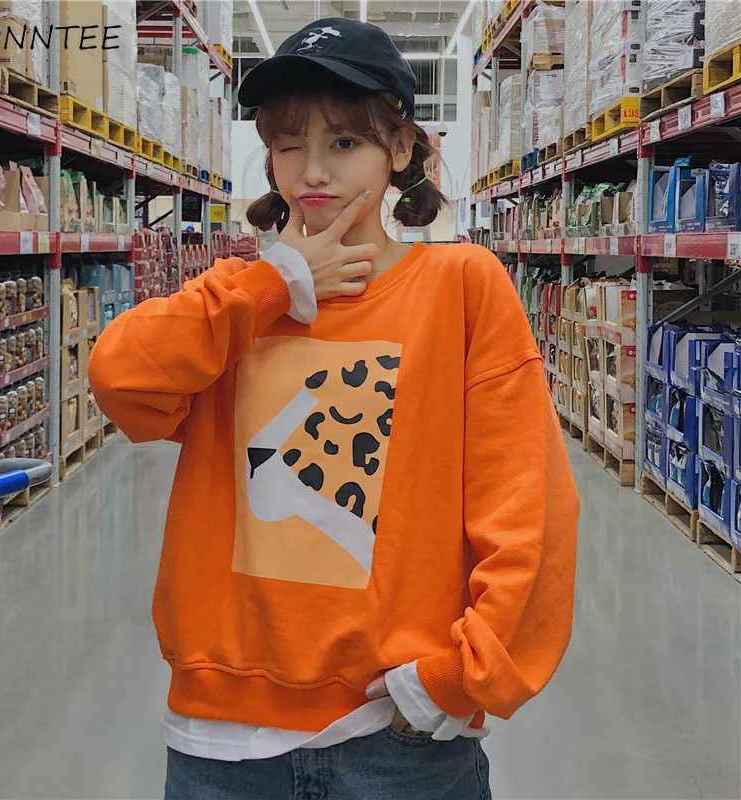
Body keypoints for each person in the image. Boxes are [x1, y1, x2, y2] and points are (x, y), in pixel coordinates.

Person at [89, 17, 579, 800]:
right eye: (290, 146)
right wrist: (274, 283)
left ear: (403, 149)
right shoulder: (238, 300)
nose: (313, 171)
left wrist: (459, 679)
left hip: (397, 743)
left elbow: (530, 505)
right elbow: (120, 380)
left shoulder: (460, 288)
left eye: (345, 143)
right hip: (219, 744)